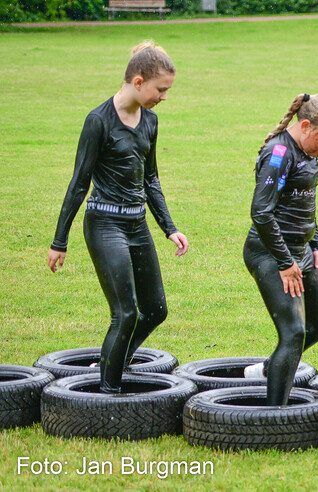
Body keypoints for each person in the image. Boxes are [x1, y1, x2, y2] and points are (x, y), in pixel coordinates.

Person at [47, 41, 189, 394]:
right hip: (104, 224)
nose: (164, 97)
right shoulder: (98, 121)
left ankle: (116, 359)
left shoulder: (151, 121)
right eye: (162, 89)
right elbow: (79, 183)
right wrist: (59, 241)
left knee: (155, 310)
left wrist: (169, 227)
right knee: (125, 313)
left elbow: (151, 178)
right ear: (138, 81)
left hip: (137, 224)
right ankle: (108, 394)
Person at [243, 93, 318, 406]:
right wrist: (285, 263)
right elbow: (261, 212)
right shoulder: (279, 154)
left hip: (299, 250)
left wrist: (317, 246)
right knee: (293, 333)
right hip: (270, 252)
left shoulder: (307, 151)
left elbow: (305, 205)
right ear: (304, 125)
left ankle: (269, 369)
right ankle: (276, 413)